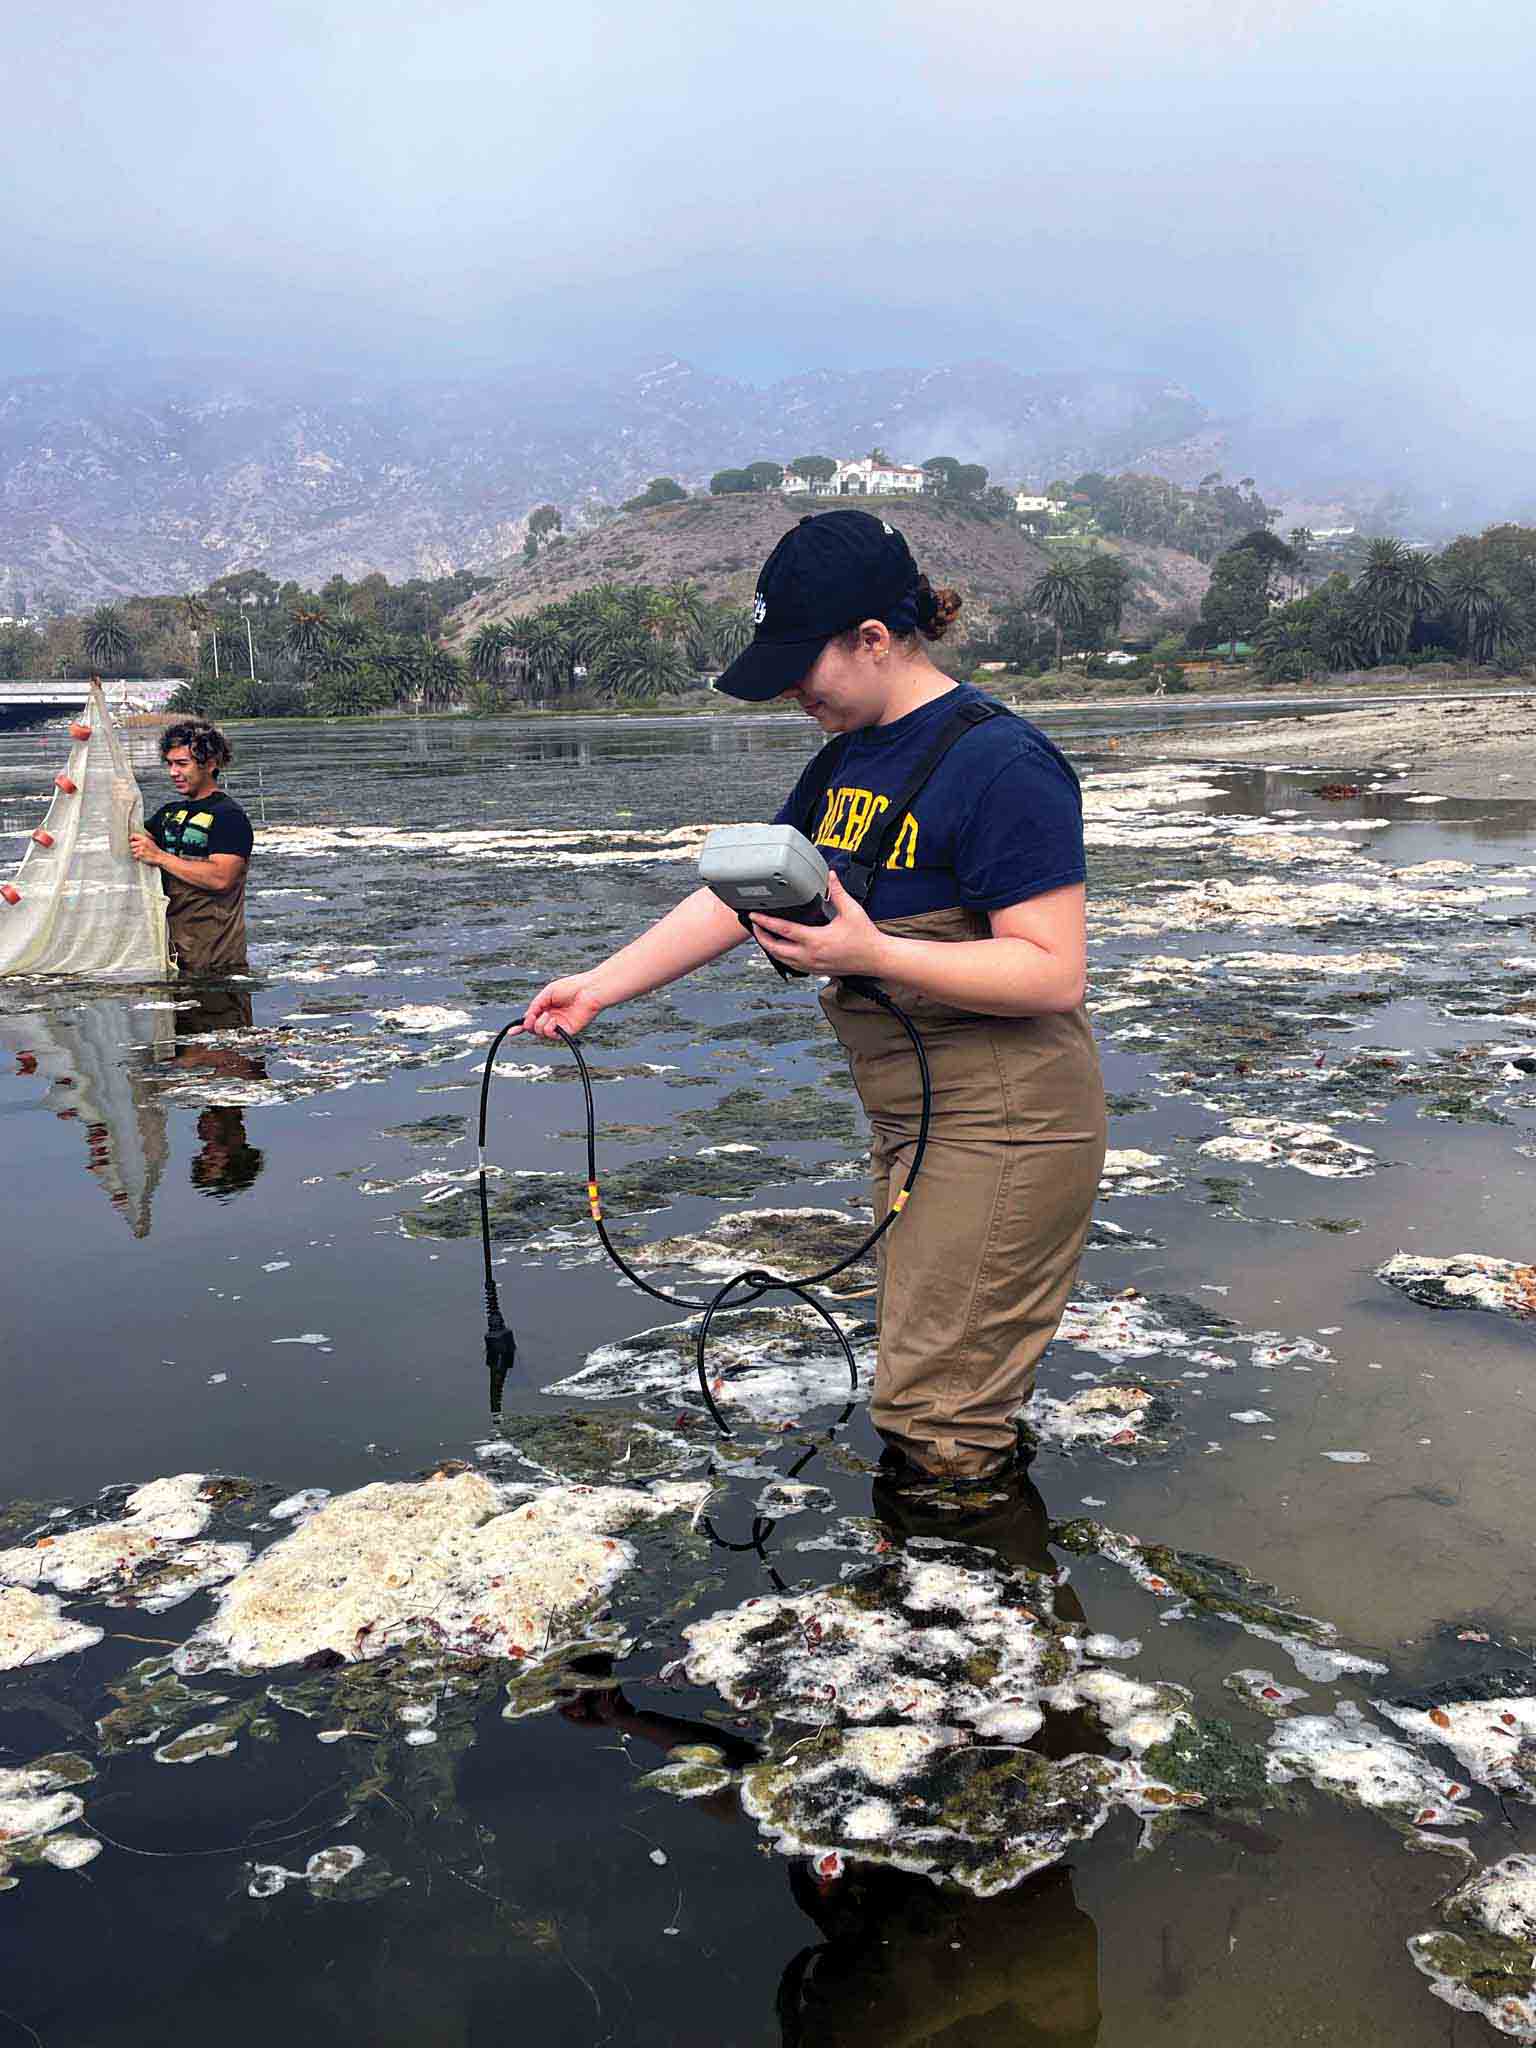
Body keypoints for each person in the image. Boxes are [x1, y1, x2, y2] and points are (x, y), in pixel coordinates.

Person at [524, 509, 1106, 1486]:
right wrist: (599, 986)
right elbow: (738, 892)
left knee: (937, 1413)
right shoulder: (847, 759)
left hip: (1009, 1117)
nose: (795, 691)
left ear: (874, 639)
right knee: (935, 1384)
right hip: (912, 1115)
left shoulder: (1003, 763)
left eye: (806, 666)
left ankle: (963, 1610)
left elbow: (1052, 969)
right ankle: (960, 1588)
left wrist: (871, 947)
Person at [128, 719, 254, 978]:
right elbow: (126, 842)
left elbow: (221, 878)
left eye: (182, 764)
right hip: (171, 957)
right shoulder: (168, 814)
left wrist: (160, 857)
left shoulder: (229, 816)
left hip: (217, 963)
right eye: (170, 764)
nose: (173, 772)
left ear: (210, 764)